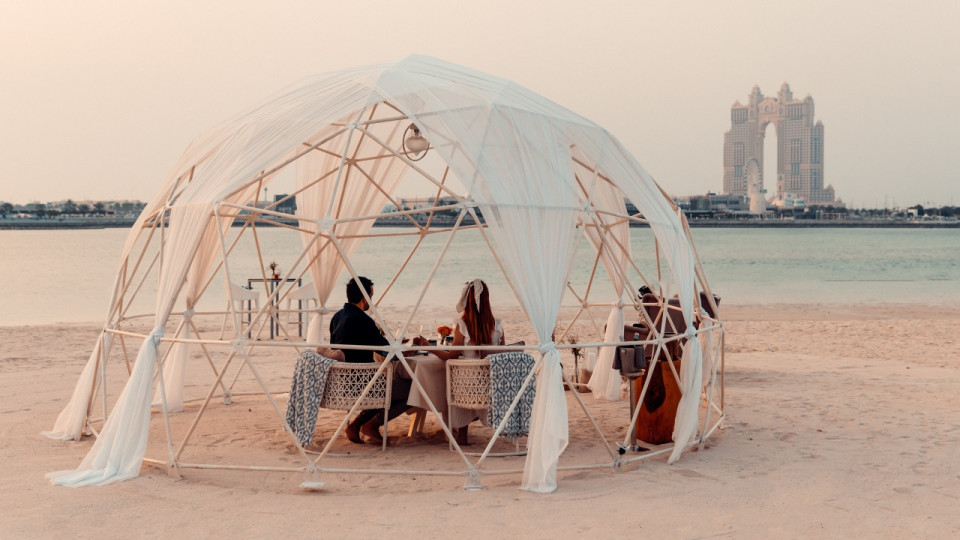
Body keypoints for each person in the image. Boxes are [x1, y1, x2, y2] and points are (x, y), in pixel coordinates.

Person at [329, 276, 419, 445]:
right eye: (371, 296)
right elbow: (388, 351)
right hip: (361, 385)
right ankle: (371, 424)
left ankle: (356, 426)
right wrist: (408, 350)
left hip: (341, 382)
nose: (371, 301)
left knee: (387, 384)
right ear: (364, 299)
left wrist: (396, 345)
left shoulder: (337, 317)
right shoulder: (362, 320)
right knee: (414, 389)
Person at [433, 279, 505, 444]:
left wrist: (428, 348)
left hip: (467, 386)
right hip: (492, 383)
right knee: (465, 377)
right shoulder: (497, 324)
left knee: (455, 378)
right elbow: (502, 354)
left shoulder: (463, 324)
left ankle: (461, 433)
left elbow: (451, 355)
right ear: (486, 299)